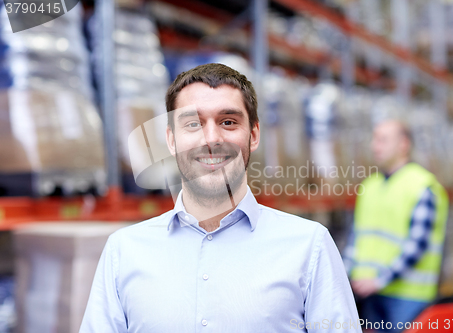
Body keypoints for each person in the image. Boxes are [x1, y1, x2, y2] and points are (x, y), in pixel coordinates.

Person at [80, 63, 361, 332]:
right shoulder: (124, 251)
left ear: (253, 135)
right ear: (170, 140)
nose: (211, 139)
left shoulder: (310, 247)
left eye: (228, 122)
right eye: (192, 123)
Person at [343, 120, 449, 332]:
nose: (375, 146)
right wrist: (343, 281)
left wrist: (379, 280)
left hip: (408, 297)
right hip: (369, 294)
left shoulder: (422, 185)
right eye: (374, 139)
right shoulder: (369, 186)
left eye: (383, 140)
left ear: (404, 144)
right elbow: (356, 240)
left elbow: (417, 246)